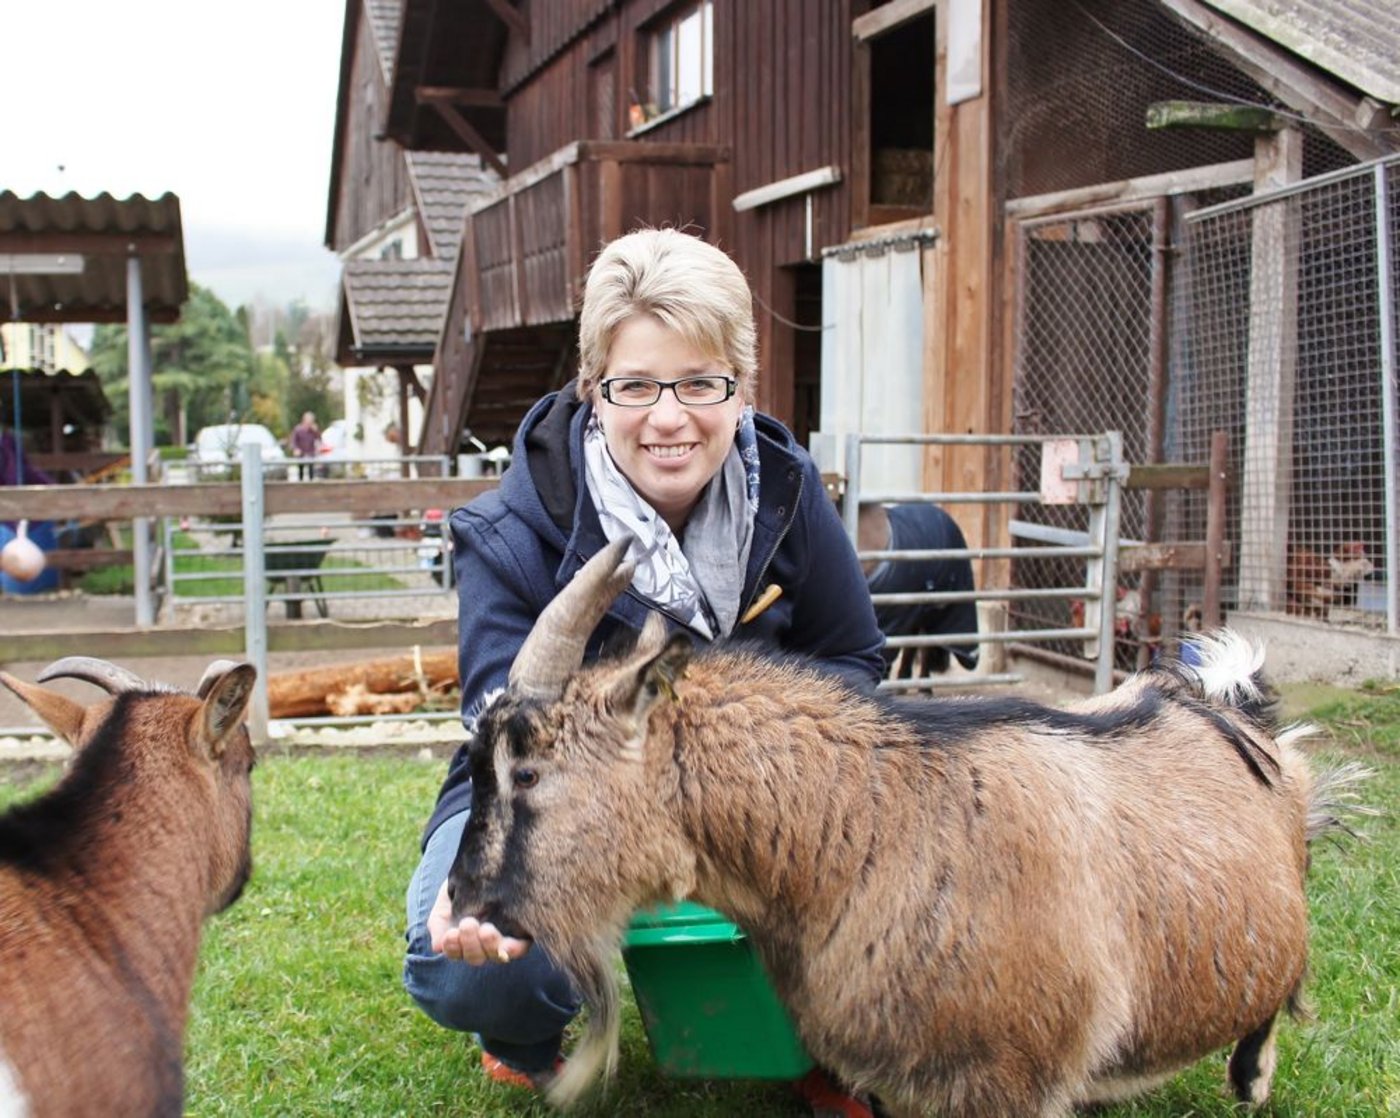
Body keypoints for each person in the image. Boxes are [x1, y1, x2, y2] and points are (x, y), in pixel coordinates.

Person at [403, 228, 887, 1118]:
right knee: (473, 962)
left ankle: (830, 1036)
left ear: (740, 391)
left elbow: (854, 660)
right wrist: (483, 881)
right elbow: (504, 729)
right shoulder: (505, 532)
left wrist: (783, 777)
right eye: (635, 386)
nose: (670, 417)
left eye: (701, 383)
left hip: (753, 796)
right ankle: (518, 1029)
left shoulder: (787, 493)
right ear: (593, 390)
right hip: (560, 796)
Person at [290, 411, 321, 480]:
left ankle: (311, 484)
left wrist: (316, 431)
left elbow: (319, 439)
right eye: (308, 421)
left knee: (311, 471)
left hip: (310, 453)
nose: (310, 423)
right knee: (301, 471)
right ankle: (300, 484)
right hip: (301, 453)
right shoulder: (298, 429)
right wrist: (296, 449)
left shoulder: (313, 430)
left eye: (311, 421)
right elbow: (293, 441)